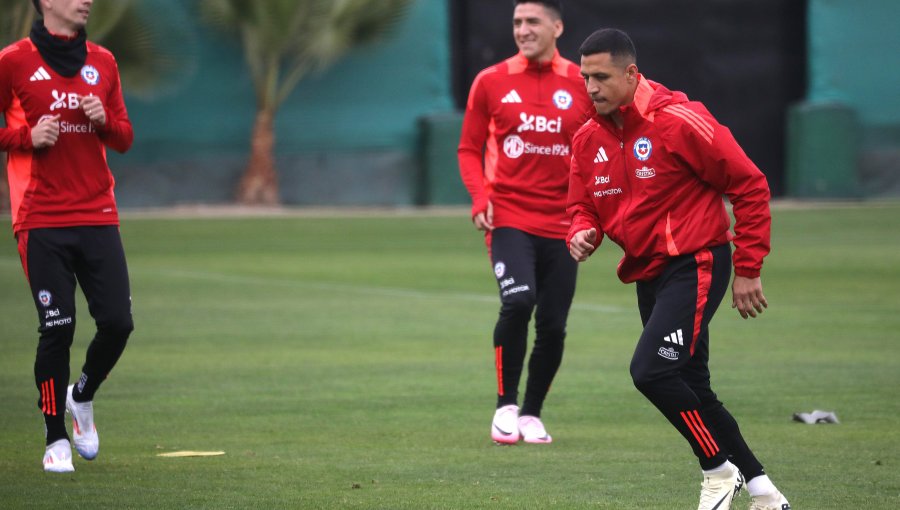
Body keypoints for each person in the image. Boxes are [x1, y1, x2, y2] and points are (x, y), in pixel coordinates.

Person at [566, 29, 790, 510]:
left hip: (697, 262)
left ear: (631, 73)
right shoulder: (587, 137)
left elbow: (749, 186)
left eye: (601, 77)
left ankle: (718, 470)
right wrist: (581, 232)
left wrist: (749, 267)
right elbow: (582, 204)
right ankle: (764, 493)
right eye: (585, 77)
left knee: (650, 372)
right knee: (693, 386)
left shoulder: (681, 120)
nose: (592, 88)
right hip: (649, 274)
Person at [0, 0, 134, 473]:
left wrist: (103, 121)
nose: (86, 1)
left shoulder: (104, 61)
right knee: (57, 328)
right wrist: (24, 138)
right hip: (41, 217)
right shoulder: (13, 61)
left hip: (98, 212)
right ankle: (55, 435)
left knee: (118, 323)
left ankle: (82, 396)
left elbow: (123, 137)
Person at [457, 0, 593, 445]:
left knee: (553, 323)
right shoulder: (491, 81)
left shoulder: (581, 82)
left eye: (532, 21)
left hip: (564, 224)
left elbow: (598, 152)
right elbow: (468, 149)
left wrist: (591, 214)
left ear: (557, 26)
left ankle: (532, 413)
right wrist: (480, 198)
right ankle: (505, 405)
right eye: (517, 22)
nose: (523, 29)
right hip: (510, 216)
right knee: (519, 303)